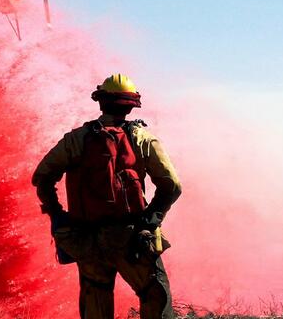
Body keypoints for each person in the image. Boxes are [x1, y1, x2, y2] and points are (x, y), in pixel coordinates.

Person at [32, 74, 182, 319]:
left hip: (86, 238)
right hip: (132, 238)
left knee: (96, 303)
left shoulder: (76, 139)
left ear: (101, 102)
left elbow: (42, 178)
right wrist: (150, 221)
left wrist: (58, 217)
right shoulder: (142, 138)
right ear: (131, 106)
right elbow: (172, 185)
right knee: (154, 294)